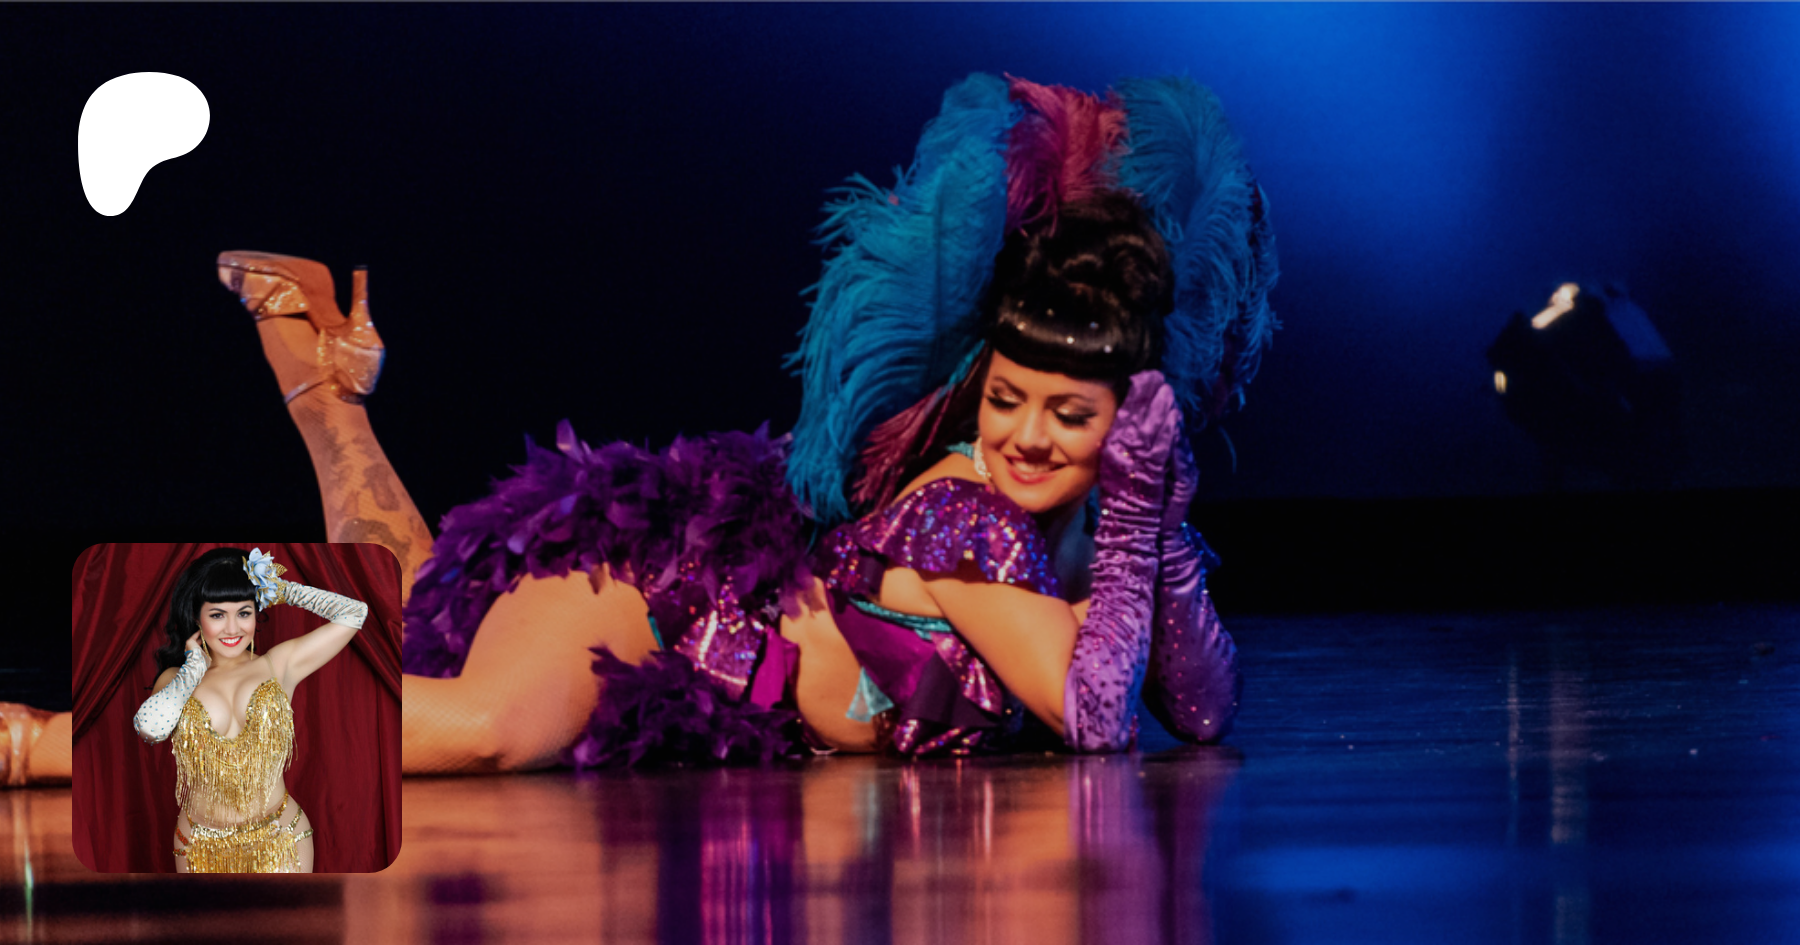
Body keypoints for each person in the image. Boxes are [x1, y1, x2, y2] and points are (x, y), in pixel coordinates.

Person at [5, 72, 1273, 779]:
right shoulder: (964, 518)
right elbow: (1098, 712)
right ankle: (45, 745)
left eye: (1071, 414)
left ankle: (315, 369)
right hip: (651, 599)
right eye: (1004, 400)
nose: (1026, 437)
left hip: (686, 628)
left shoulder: (1090, 523)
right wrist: (1141, 512)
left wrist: (1156, 517)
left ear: (1136, 416)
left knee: (419, 592)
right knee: (481, 729)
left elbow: (1200, 708)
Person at [130, 547, 369, 871]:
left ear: (257, 613)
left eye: (244, 613)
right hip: (198, 846)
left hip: (282, 837)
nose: (233, 629)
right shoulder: (176, 679)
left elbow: (354, 613)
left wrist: (284, 590)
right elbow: (150, 729)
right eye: (217, 615)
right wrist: (193, 670)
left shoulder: (279, 664)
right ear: (196, 617)